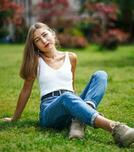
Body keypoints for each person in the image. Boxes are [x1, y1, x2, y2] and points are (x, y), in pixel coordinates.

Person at [3, 22, 134, 147]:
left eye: (44, 35)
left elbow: (71, 86)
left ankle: (78, 120)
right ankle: (116, 129)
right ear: (35, 45)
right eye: (37, 40)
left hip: (71, 100)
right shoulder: (36, 61)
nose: (43, 41)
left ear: (52, 34)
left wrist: (77, 105)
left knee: (101, 75)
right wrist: (15, 117)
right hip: (50, 110)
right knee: (66, 96)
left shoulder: (71, 57)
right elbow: (26, 90)